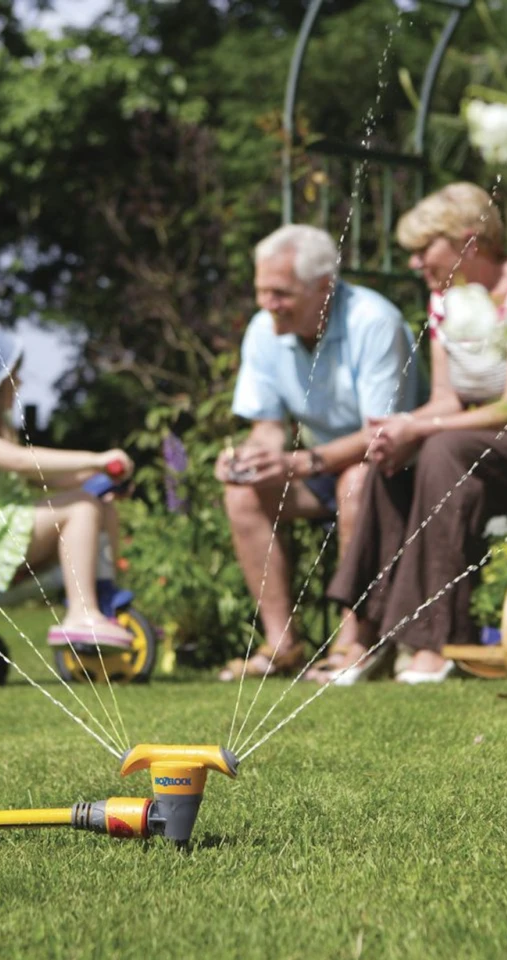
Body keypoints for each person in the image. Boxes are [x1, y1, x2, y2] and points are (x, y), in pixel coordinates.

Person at [324, 182, 507, 684]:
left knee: (441, 447)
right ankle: (366, 632)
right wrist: (401, 430)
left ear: (469, 241)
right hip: (485, 448)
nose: (415, 262)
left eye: (424, 248)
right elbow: (447, 399)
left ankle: (433, 639)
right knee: (392, 457)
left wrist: (422, 427)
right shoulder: (446, 299)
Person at [216, 224, 423, 681]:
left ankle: (354, 644)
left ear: (324, 287)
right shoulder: (263, 330)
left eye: (280, 293)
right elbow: (268, 426)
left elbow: (381, 437)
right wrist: (251, 460)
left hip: (398, 470)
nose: (267, 303)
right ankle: (282, 645)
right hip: (321, 470)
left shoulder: (375, 322)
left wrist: (299, 463)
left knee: (356, 482)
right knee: (243, 494)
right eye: (261, 290)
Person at [0, 312, 135, 649]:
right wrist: (95, 459)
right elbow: (21, 462)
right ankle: (81, 615)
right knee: (81, 508)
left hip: (6, 524)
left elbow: (42, 479)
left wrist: (99, 475)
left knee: (100, 503)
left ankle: (102, 598)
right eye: (13, 375)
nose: (19, 383)